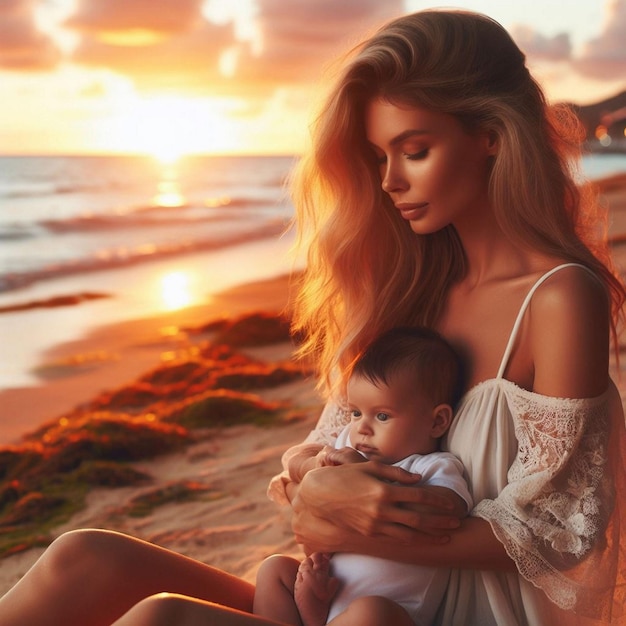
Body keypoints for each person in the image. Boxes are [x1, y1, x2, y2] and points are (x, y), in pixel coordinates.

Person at [0, 8, 624, 626]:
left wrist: (353, 519)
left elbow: (563, 531)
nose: (389, 182)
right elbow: (323, 451)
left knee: (161, 619)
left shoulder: (559, 297)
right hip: (349, 598)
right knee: (83, 557)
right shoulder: (414, 289)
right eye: (379, 156)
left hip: (443, 613)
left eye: (415, 150)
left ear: (491, 134)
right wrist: (314, 481)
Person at [253, 326, 473, 626]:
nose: (362, 428)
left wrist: (360, 476)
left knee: (371, 611)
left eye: (382, 416)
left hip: (389, 614)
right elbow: (296, 461)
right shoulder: (346, 445)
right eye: (356, 413)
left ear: (437, 422)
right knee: (273, 569)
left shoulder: (432, 467)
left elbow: (448, 511)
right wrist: (318, 468)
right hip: (328, 592)